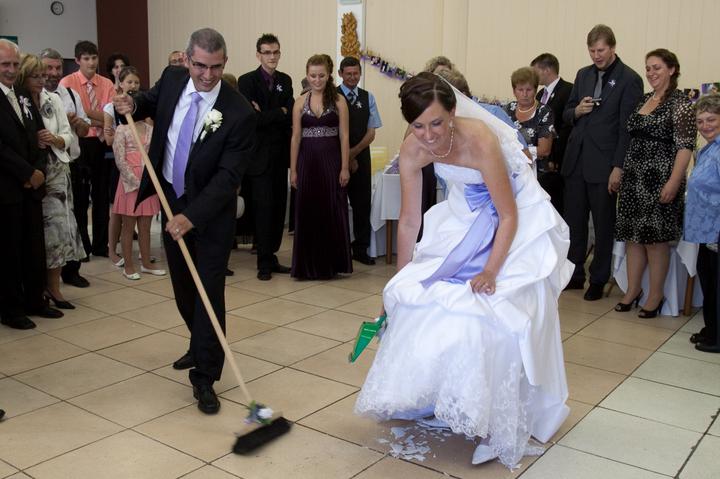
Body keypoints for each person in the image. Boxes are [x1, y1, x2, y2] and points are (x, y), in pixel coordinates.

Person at [355, 73, 571, 468]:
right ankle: (440, 395)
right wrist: (399, 280)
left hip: (514, 216)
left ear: (453, 112)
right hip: (465, 216)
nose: (429, 136)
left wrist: (490, 270)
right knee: (418, 298)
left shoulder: (480, 139)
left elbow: (508, 215)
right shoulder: (414, 147)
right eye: (418, 126)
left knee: (491, 313)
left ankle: (495, 422)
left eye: (437, 123)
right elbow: (409, 220)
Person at [113, 28, 256, 414]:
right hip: (170, 197)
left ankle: (205, 375)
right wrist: (129, 103)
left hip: (210, 213)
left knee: (208, 291)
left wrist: (191, 217)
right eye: (200, 66)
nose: (207, 75)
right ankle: (199, 343)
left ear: (225, 63)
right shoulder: (174, 78)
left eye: (216, 67)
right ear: (188, 59)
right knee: (183, 287)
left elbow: (228, 178)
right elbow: (146, 102)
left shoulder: (239, 112)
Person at [562, 24, 643, 300]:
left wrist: (618, 167)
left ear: (613, 47)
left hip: (605, 163)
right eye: (592, 51)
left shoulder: (629, 79)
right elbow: (566, 113)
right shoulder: (582, 74)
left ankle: (598, 278)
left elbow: (627, 129)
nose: (596, 56)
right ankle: (574, 273)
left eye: (601, 50)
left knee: (603, 225)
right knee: (574, 223)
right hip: (576, 160)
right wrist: (577, 111)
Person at [614, 49, 695, 318]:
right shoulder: (643, 99)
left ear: (672, 69)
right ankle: (633, 290)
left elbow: (685, 147)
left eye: (657, 67)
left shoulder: (681, 103)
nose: (651, 73)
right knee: (633, 238)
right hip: (633, 178)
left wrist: (673, 181)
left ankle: (656, 295)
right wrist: (620, 170)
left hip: (660, 180)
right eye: (648, 68)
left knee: (654, 241)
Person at [0, 39, 62, 329]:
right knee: (9, 250)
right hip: (7, 186)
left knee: (34, 246)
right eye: (5, 64)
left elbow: (38, 135)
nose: (11, 70)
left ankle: (35, 300)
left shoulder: (23, 95)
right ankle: (11, 309)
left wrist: (38, 170)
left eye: (14, 64)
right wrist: (26, 172)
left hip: (32, 186)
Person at [18, 54, 85, 310]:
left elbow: (67, 135)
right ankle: (38, 287)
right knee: (42, 234)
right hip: (34, 171)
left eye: (44, 76)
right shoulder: (19, 101)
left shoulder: (52, 99)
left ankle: (54, 286)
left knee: (61, 229)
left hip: (58, 169)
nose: (42, 80)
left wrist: (55, 139)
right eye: (36, 76)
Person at [237, 33, 293, 280]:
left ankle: (272, 256)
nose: (272, 56)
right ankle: (263, 262)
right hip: (258, 158)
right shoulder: (246, 81)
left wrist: (270, 113)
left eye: (275, 52)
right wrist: (279, 111)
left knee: (279, 208)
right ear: (258, 55)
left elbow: (290, 114)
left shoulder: (285, 80)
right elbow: (252, 119)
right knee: (262, 208)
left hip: (280, 156)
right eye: (267, 52)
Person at [290, 54, 352, 279]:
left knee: (331, 209)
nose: (317, 80)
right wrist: (293, 169)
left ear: (329, 75)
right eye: (313, 76)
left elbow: (344, 136)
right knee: (307, 210)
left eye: (321, 76)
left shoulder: (339, 101)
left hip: (331, 161)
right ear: (307, 76)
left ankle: (330, 265)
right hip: (307, 161)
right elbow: (296, 137)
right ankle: (306, 267)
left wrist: (344, 167)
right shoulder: (300, 102)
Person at [39, 47, 91, 289]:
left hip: (73, 163)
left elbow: (84, 131)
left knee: (76, 216)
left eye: (57, 68)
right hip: (48, 168)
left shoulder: (70, 94)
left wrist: (77, 123)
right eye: (48, 68)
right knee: (52, 225)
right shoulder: (34, 96)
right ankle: (48, 276)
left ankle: (72, 270)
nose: (53, 72)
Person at [60, 41, 116, 258]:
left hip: (101, 143)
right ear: (77, 60)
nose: (91, 62)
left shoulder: (107, 83)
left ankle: (101, 245)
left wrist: (86, 114)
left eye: (94, 58)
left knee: (101, 196)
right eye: (86, 58)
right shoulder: (67, 83)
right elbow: (71, 118)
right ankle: (82, 246)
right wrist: (98, 118)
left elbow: (109, 116)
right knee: (81, 198)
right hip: (79, 142)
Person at [111, 67, 165, 281]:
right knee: (128, 227)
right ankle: (129, 265)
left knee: (145, 227)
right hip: (130, 184)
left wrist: (149, 180)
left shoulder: (150, 130)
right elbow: (120, 160)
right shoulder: (122, 130)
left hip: (147, 182)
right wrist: (134, 181)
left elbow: (154, 156)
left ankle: (146, 262)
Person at [337, 56, 383, 265]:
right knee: (337, 203)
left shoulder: (368, 97)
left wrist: (353, 154)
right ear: (340, 74)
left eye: (356, 73)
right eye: (348, 74)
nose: (352, 77)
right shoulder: (332, 96)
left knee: (362, 204)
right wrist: (345, 158)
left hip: (362, 157)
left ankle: (361, 248)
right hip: (336, 158)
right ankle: (339, 247)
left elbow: (371, 132)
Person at [684, 94, 720, 352]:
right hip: (706, 230)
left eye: (711, 120)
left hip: (717, 230)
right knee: (709, 281)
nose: (705, 125)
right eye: (700, 121)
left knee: (717, 285)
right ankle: (712, 329)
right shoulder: (708, 148)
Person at [532, 53, 573, 214]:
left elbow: (566, 127)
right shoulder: (539, 95)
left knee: (557, 203)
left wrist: (554, 156)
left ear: (547, 70)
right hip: (541, 159)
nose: (533, 76)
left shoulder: (568, 90)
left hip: (558, 158)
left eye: (535, 71)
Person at [503, 67, 555, 174]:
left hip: (536, 172)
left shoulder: (544, 111)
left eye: (529, 90)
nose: (524, 94)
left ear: (535, 90)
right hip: (510, 169)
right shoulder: (507, 109)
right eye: (520, 90)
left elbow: (544, 150)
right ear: (514, 91)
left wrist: (518, 152)